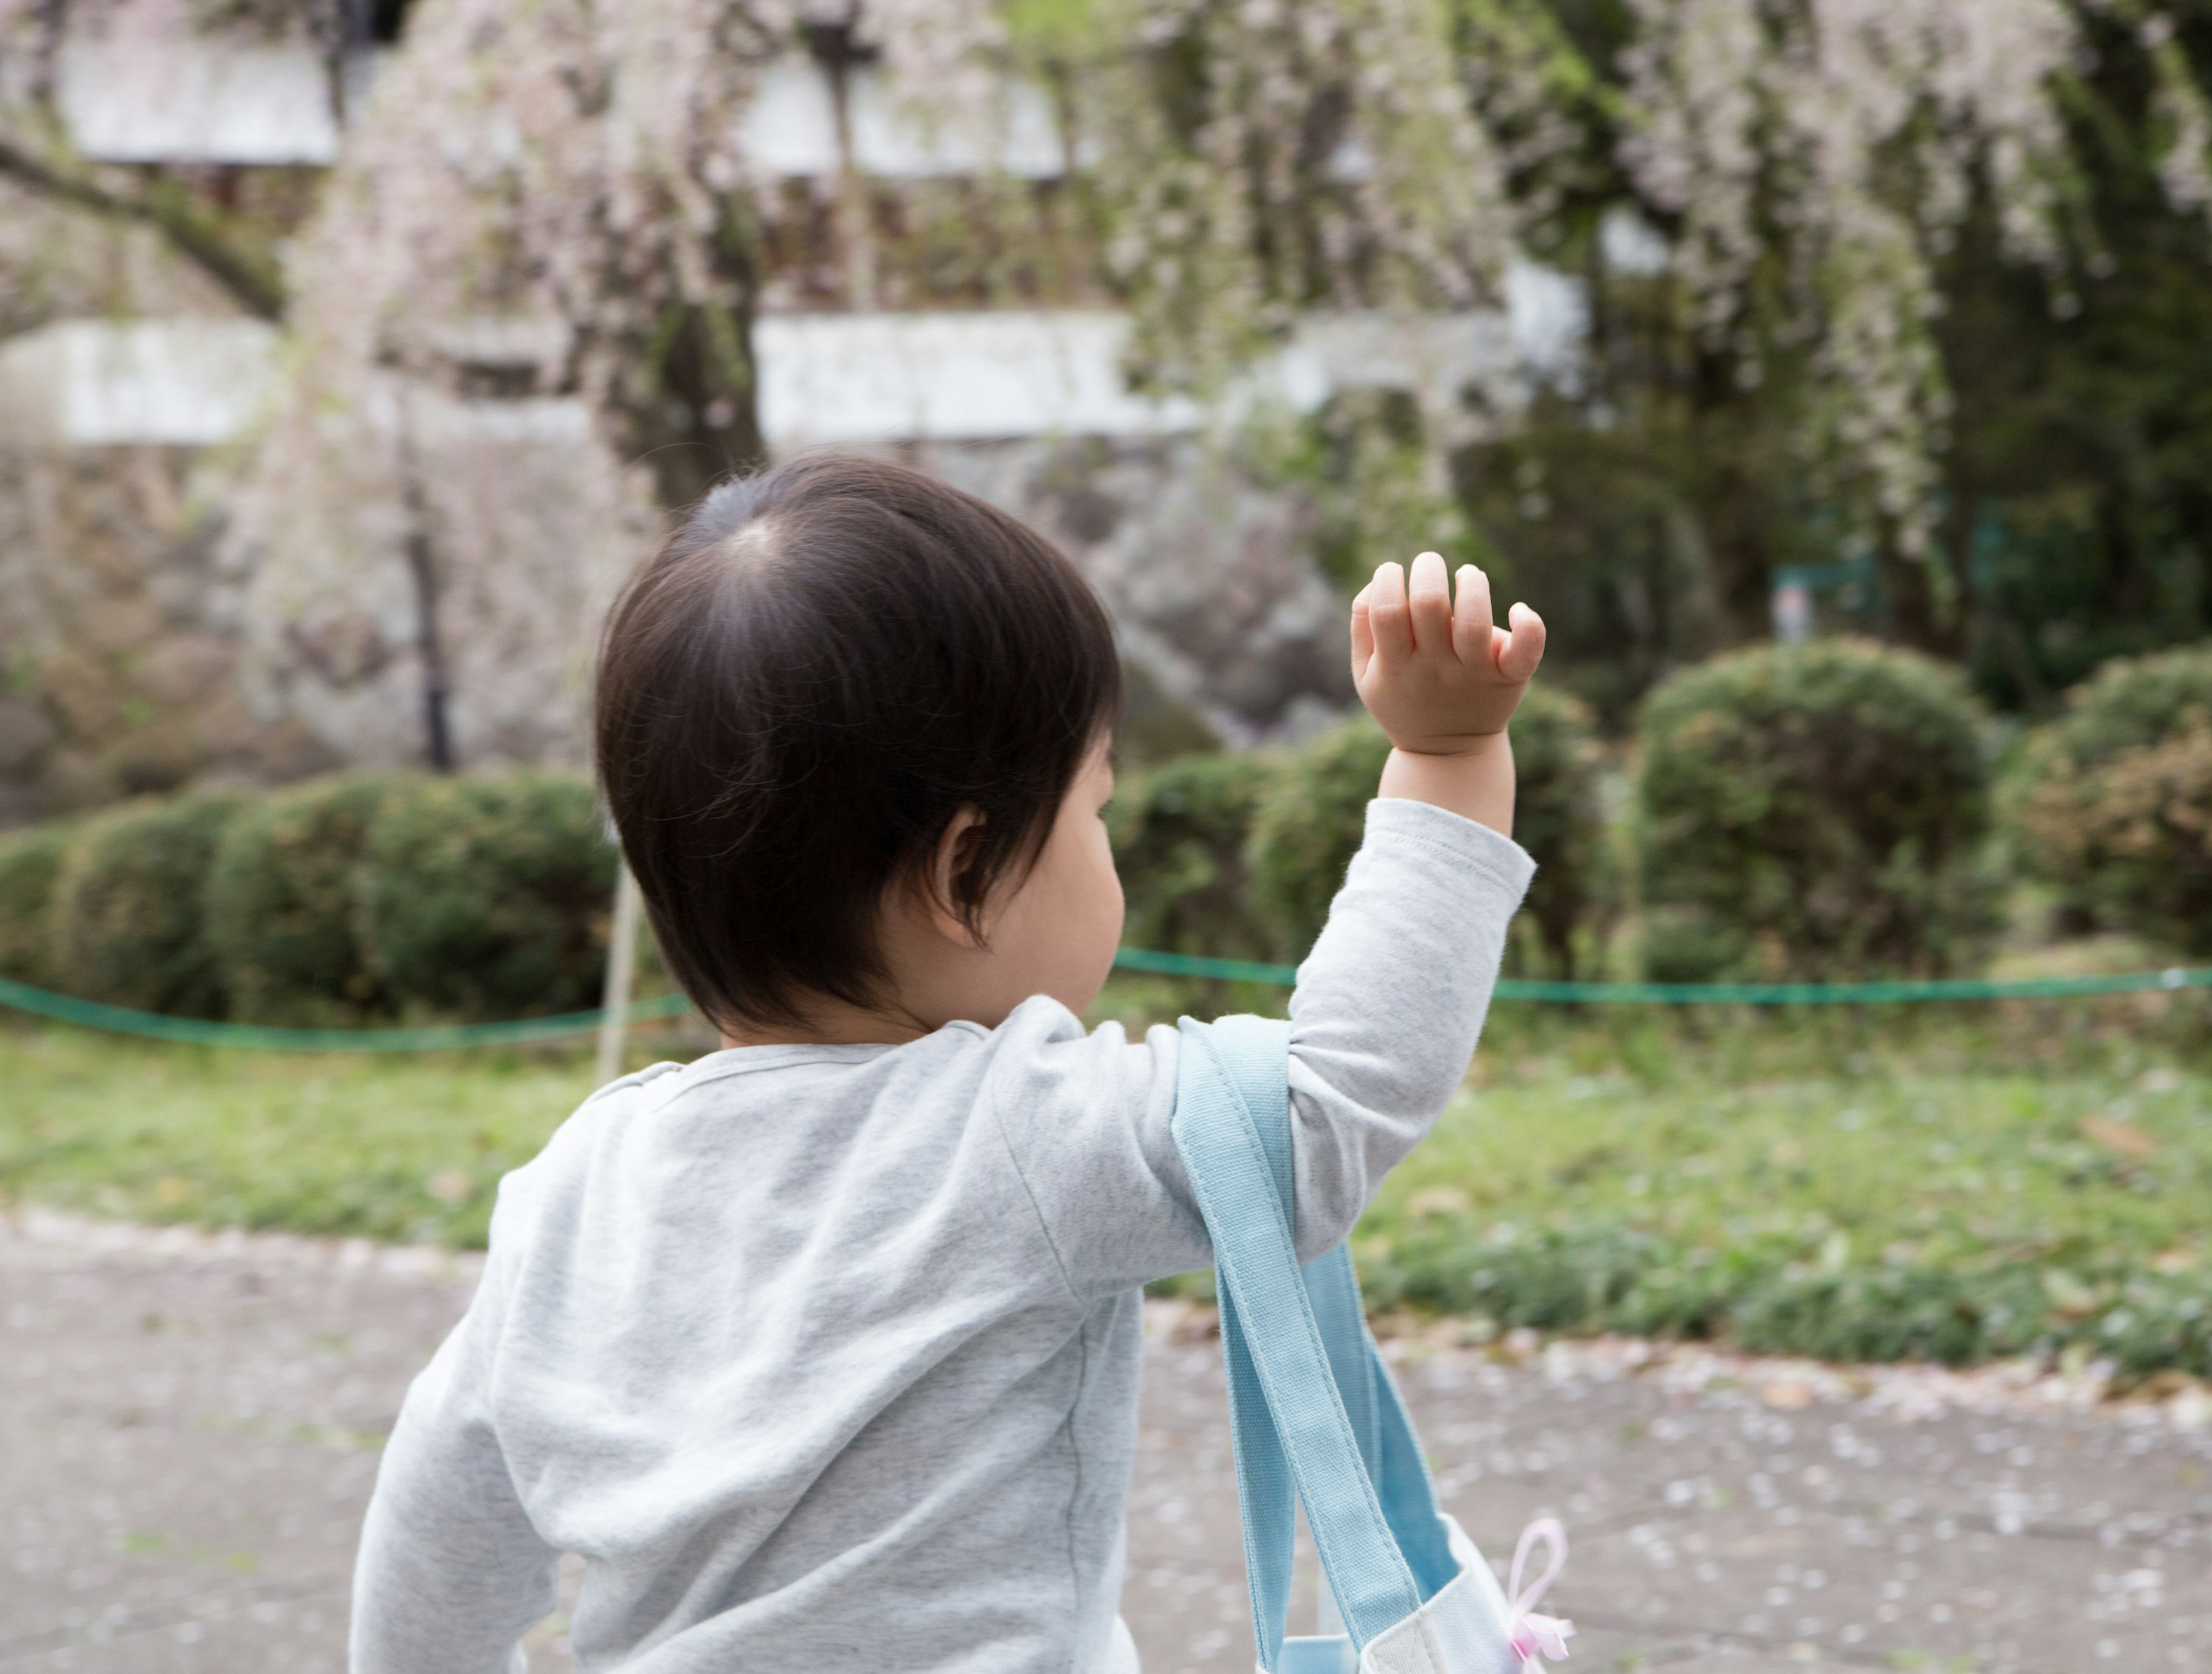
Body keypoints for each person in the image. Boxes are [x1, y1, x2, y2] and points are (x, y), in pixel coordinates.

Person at [346, 453, 1546, 1673]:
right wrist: (1447, 767)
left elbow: (439, 1530)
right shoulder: (1014, 1131)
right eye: (1094, 810)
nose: (1103, 845)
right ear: (964, 873)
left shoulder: (573, 1186)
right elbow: (1323, 1106)